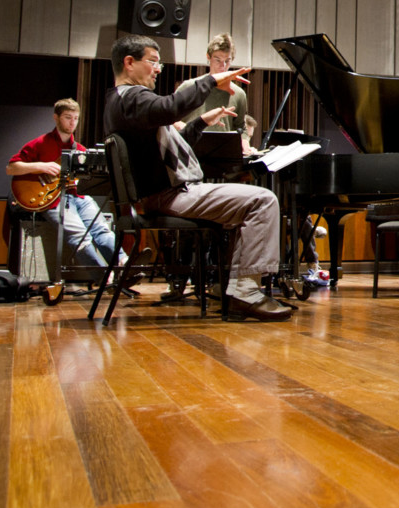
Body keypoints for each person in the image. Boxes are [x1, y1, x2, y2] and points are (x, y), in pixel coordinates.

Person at [103, 34, 290, 321]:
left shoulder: (123, 103)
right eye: (153, 61)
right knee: (263, 200)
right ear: (129, 63)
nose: (157, 68)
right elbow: (169, 108)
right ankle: (246, 293)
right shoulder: (132, 98)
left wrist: (202, 121)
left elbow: (173, 141)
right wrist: (212, 81)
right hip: (170, 195)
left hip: (165, 193)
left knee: (252, 205)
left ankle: (237, 289)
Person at [7, 98, 121, 271]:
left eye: (75, 118)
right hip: (52, 200)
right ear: (56, 117)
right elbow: (11, 168)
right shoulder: (40, 143)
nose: (72, 122)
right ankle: (103, 276)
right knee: (79, 235)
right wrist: (42, 166)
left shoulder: (80, 150)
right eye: (68, 117)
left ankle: (125, 264)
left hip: (78, 196)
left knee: (101, 229)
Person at [179, 32, 249, 133]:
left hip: (221, 147)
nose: (223, 66)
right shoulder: (189, 86)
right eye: (218, 60)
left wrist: (245, 142)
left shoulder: (239, 94)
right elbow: (168, 118)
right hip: (190, 146)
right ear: (208, 57)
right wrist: (181, 126)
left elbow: (241, 128)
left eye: (227, 61)